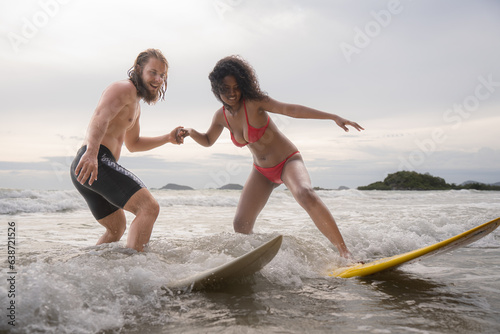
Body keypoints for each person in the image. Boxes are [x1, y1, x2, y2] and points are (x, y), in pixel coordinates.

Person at [182, 56, 364, 260]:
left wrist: (332, 117)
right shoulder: (220, 117)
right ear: (216, 89)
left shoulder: (254, 102)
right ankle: (253, 259)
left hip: (288, 161)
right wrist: (190, 131)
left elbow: (292, 110)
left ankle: (345, 253)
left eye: (236, 87)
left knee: (305, 193)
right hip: (262, 172)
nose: (232, 93)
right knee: (240, 224)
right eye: (225, 88)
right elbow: (207, 140)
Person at [70, 48, 184, 252]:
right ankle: (135, 271)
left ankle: (88, 269)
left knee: (116, 229)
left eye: (162, 75)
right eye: (153, 72)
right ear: (139, 69)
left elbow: (134, 143)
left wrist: (167, 138)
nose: (158, 79)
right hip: (95, 161)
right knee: (149, 208)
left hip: (91, 164)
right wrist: (92, 153)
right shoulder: (123, 89)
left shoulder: (135, 103)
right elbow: (99, 117)